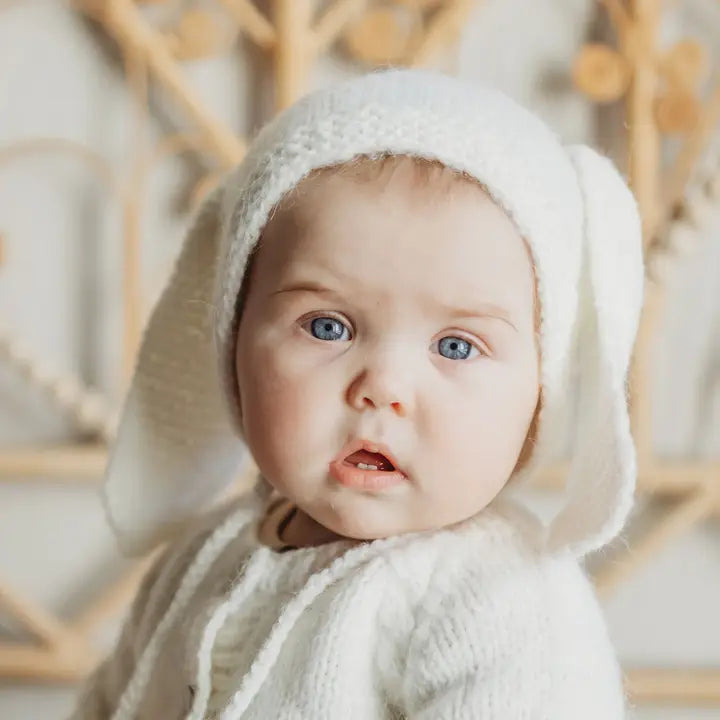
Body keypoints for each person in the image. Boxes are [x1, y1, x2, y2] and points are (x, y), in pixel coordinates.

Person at [69, 68, 644, 719]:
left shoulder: (506, 602)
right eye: (327, 326)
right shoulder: (201, 558)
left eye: (456, 346)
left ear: (539, 396)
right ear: (231, 341)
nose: (382, 389)